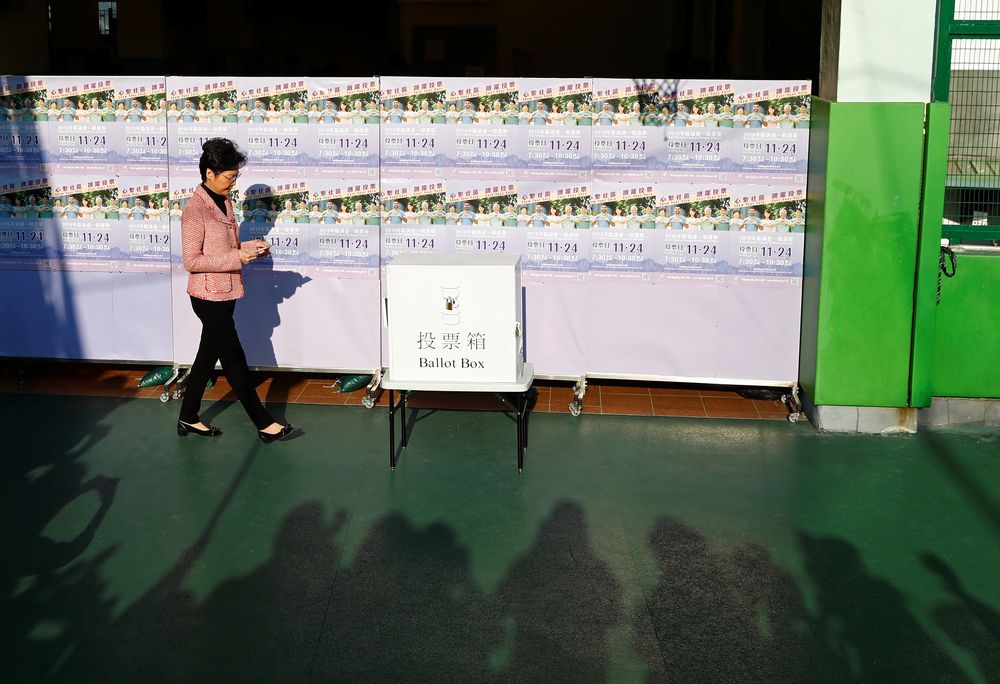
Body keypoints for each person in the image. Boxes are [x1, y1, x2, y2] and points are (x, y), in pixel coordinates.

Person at [178, 138, 293, 442]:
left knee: (206, 357)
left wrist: (248, 249)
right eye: (229, 177)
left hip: (226, 293)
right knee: (234, 359)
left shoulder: (223, 201)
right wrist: (236, 256)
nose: (233, 183)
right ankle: (264, 424)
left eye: (236, 177)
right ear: (209, 174)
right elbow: (192, 261)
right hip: (207, 296)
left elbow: (224, 248)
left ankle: (188, 416)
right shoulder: (195, 211)